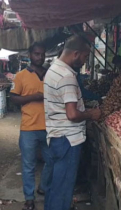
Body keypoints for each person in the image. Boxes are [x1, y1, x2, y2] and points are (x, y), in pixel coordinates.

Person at [43, 35, 101, 210]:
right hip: (67, 139)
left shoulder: (53, 70)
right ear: (76, 54)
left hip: (56, 136)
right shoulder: (66, 76)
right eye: (84, 56)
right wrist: (92, 114)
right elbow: (72, 114)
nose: (85, 61)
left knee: (55, 187)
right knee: (63, 190)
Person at [10, 42, 53, 210]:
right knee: (28, 165)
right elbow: (13, 98)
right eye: (36, 54)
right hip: (28, 127)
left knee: (52, 161)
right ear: (30, 54)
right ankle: (29, 198)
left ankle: (43, 187)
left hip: (50, 127)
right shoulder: (20, 76)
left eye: (42, 54)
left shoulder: (50, 74)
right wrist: (34, 97)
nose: (40, 57)